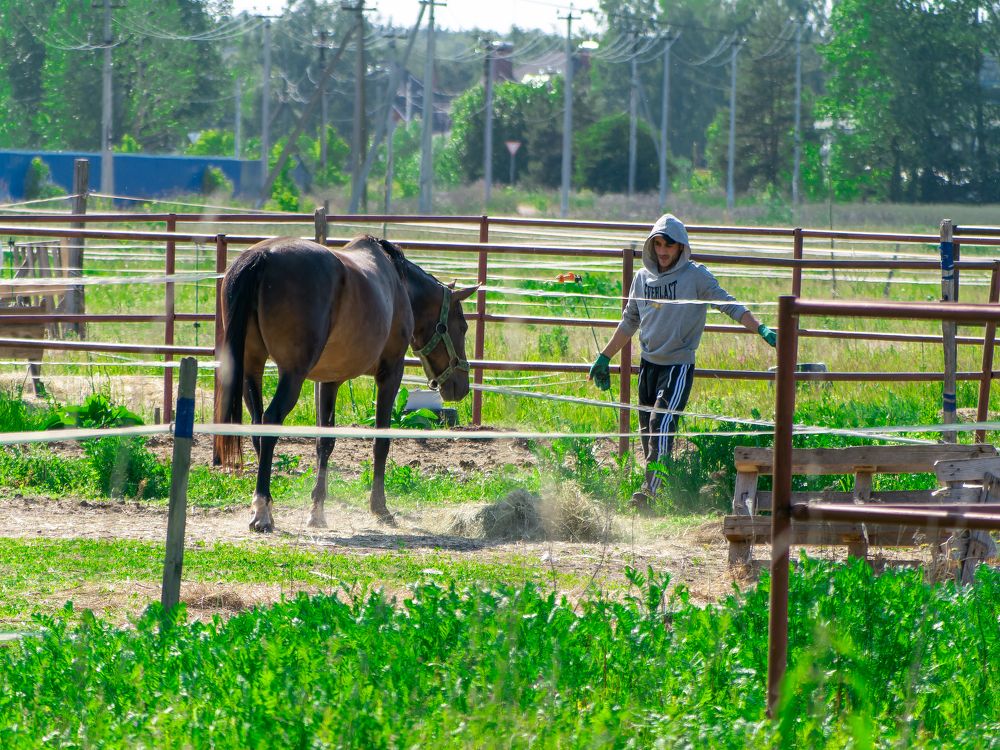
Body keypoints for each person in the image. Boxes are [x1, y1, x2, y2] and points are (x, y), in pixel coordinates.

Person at [589, 213, 776, 506]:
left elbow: (728, 304)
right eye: (658, 244)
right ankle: (659, 485)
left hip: (677, 365)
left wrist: (761, 328)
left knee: (661, 423)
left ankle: (651, 493)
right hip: (648, 365)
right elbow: (629, 321)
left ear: (681, 247)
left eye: (669, 245)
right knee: (647, 429)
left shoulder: (695, 276)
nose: (663, 251)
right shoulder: (642, 279)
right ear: (651, 246)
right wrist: (604, 357)